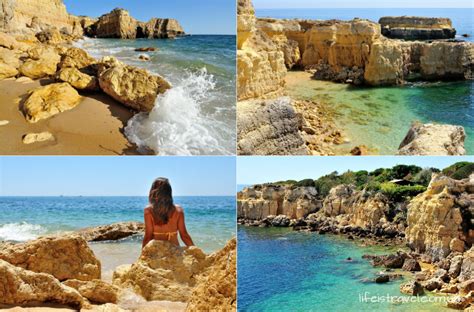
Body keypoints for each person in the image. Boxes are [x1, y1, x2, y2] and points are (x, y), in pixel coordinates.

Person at [142, 178, 194, 248]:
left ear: (152, 192)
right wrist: (196, 252)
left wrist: (142, 255)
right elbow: (184, 236)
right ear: (169, 192)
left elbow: (148, 236)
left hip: (157, 252)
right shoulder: (178, 210)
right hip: (174, 251)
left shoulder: (148, 211)